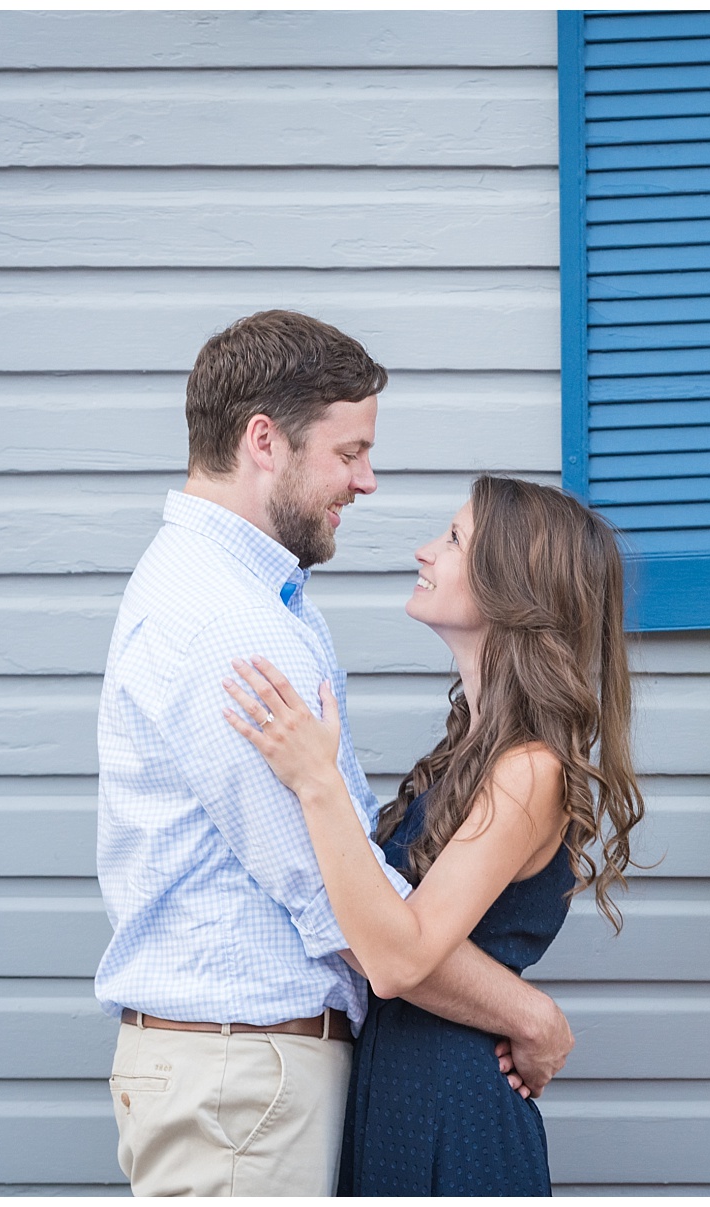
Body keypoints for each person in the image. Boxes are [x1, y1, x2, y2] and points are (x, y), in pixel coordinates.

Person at [95, 311, 573, 1197]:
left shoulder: (246, 595)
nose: (368, 480)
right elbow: (347, 913)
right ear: (264, 441)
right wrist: (531, 1015)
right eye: (348, 452)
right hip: (243, 1084)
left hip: (262, 1081)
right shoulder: (231, 623)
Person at [223, 473, 644, 1196]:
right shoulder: (467, 754)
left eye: (453, 539)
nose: (425, 551)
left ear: (512, 584)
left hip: (456, 1109)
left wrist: (316, 781)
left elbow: (401, 956)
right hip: (400, 1088)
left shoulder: (529, 770)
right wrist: (532, 1014)